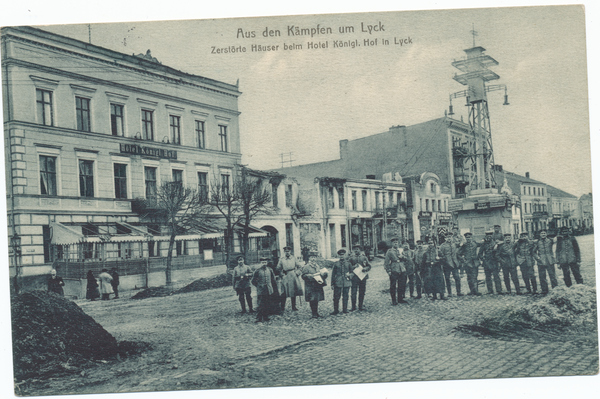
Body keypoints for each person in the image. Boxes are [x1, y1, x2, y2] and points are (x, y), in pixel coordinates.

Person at [276, 246, 304, 312]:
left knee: (293, 292)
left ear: (290, 251)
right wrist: (281, 275)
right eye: (286, 251)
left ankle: (293, 307)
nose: (287, 253)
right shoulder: (282, 259)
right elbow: (278, 268)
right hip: (285, 276)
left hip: (293, 276)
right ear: (284, 252)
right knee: (283, 292)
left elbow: (300, 267)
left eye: (288, 251)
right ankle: (282, 307)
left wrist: (297, 273)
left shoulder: (294, 258)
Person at [301, 252, 328, 318]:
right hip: (310, 286)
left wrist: (324, 274)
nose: (313, 259)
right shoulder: (306, 266)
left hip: (317, 285)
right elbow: (303, 276)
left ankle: (316, 312)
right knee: (312, 299)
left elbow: (320, 273)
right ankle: (314, 313)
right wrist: (309, 276)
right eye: (312, 257)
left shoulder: (317, 266)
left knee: (316, 299)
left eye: (314, 257)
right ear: (309, 258)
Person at [251, 257, 277, 322]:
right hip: (261, 290)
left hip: (268, 288)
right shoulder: (257, 271)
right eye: (262, 262)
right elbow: (253, 281)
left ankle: (266, 317)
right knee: (260, 304)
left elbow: (273, 279)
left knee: (267, 303)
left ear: (267, 263)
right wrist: (258, 286)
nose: (264, 264)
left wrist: (271, 286)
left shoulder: (270, 270)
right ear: (261, 263)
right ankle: (258, 317)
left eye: (265, 262)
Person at [533, 229, 559, 294]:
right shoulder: (537, 242)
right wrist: (537, 258)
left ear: (546, 234)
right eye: (542, 233)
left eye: (544, 233)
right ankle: (544, 290)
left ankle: (555, 289)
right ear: (540, 235)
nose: (543, 235)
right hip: (541, 261)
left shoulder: (550, 240)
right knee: (542, 276)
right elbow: (533, 252)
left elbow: (558, 239)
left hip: (550, 261)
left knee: (552, 276)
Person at [384, 238, 408, 305]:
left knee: (402, 284)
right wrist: (388, 270)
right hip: (394, 269)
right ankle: (394, 300)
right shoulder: (389, 251)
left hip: (402, 269)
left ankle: (400, 299)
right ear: (392, 243)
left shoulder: (401, 250)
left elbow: (406, 259)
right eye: (394, 242)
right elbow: (386, 262)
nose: (395, 243)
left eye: (396, 242)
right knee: (393, 285)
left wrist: (402, 257)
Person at [348, 246, 371, 310]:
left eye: (357, 249)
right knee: (353, 292)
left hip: (362, 277)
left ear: (360, 250)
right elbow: (348, 267)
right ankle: (353, 306)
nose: (356, 251)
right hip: (354, 278)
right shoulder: (351, 258)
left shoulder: (364, 257)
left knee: (362, 292)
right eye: (354, 249)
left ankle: (360, 306)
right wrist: (353, 267)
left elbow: (369, 266)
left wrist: (365, 268)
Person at [330, 249, 352, 315]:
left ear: (345, 255)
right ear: (338, 256)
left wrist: (350, 275)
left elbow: (352, 272)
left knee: (345, 296)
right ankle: (336, 310)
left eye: (343, 255)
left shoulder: (348, 263)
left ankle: (345, 309)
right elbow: (333, 274)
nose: (341, 256)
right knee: (336, 297)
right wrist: (332, 283)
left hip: (346, 282)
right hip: (338, 282)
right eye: (340, 255)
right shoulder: (336, 264)